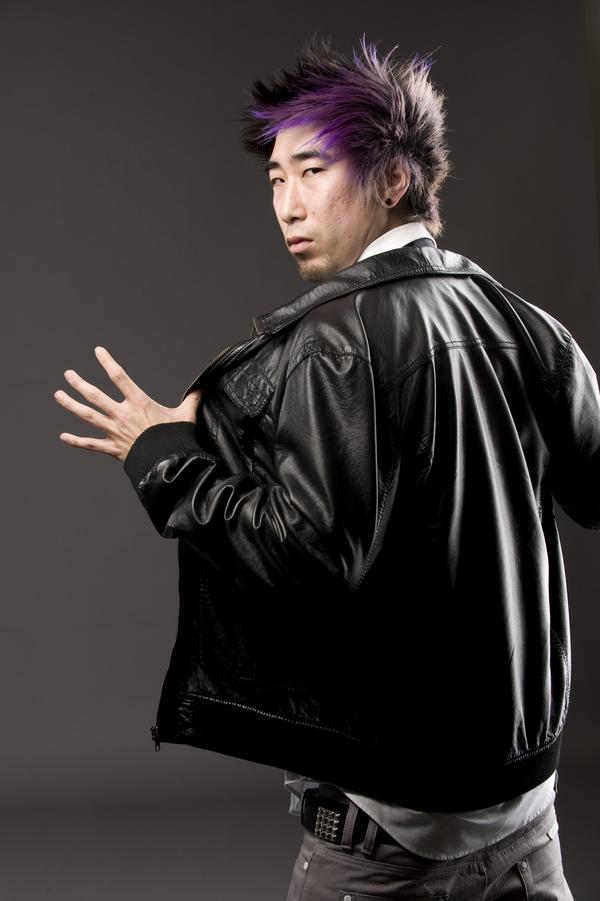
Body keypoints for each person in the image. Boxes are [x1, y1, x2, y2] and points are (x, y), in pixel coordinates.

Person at [52, 31, 595, 899]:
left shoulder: (333, 341)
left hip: (390, 842)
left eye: (313, 170)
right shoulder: (526, 323)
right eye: (276, 177)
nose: (287, 203)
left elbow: (305, 558)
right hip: (528, 814)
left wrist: (162, 458)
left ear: (394, 177)